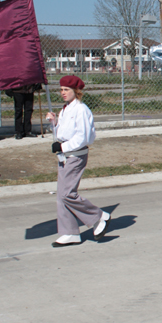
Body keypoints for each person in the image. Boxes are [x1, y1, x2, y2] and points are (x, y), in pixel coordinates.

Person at [45, 75, 110, 248]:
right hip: (65, 156)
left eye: (67, 90)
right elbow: (62, 133)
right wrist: (55, 123)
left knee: (67, 193)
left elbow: (83, 137)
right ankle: (69, 233)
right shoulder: (65, 109)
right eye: (61, 90)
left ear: (76, 91)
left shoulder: (81, 109)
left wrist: (63, 147)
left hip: (76, 155)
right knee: (61, 195)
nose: (63, 93)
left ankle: (99, 216)